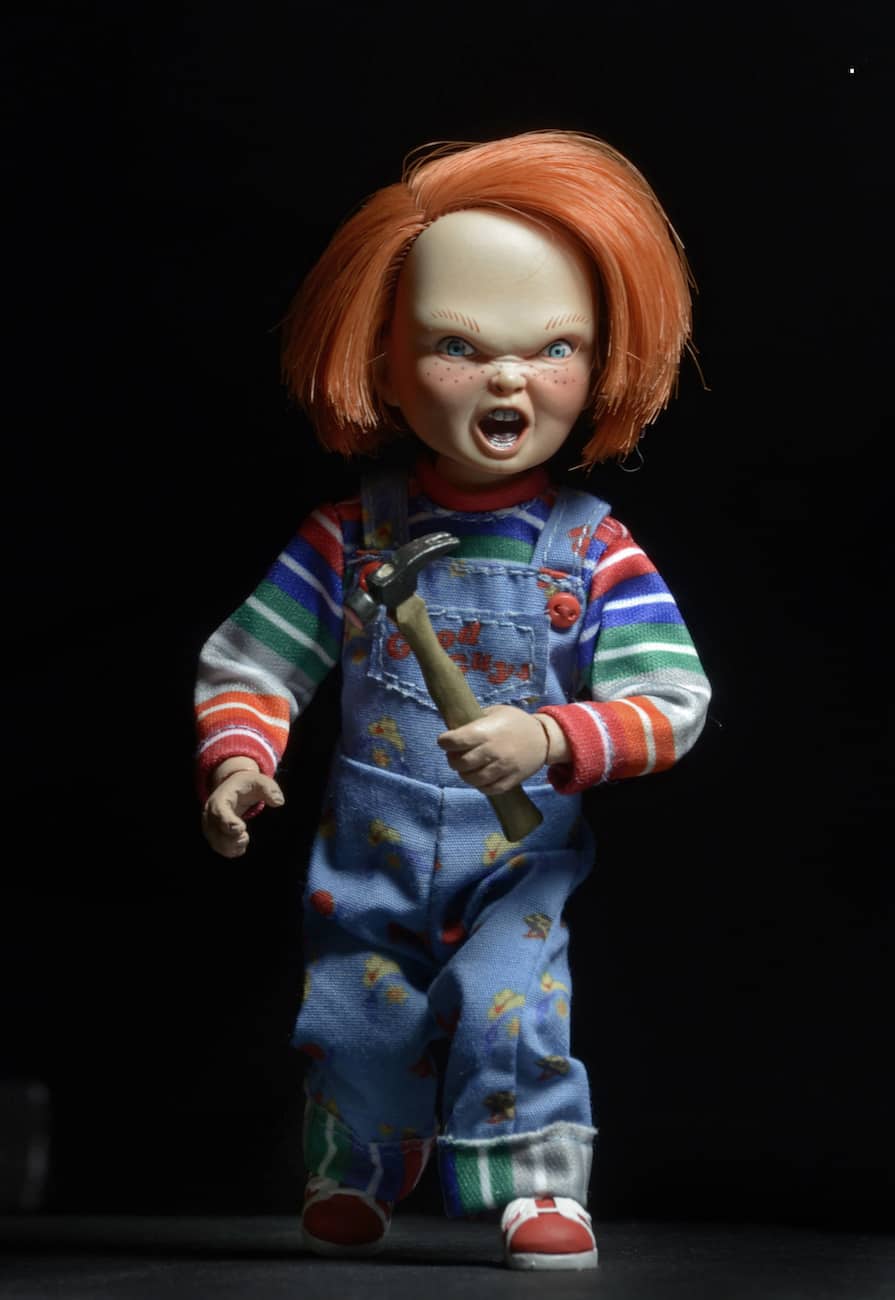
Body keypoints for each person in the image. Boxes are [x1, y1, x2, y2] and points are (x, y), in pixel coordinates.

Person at [194, 130, 710, 1270]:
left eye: (553, 347)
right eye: (458, 347)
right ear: (382, 363)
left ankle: (535, 1176)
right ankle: (355, 1169)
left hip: (516, 863)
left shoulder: (595, 551)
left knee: (510, 1005)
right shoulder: (350, 538)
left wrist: (553, 734)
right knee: (353, 1012)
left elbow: (671, 697)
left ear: (602, 362)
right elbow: (255, 663)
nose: (509, 380)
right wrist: (238, 759)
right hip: (364, 852)